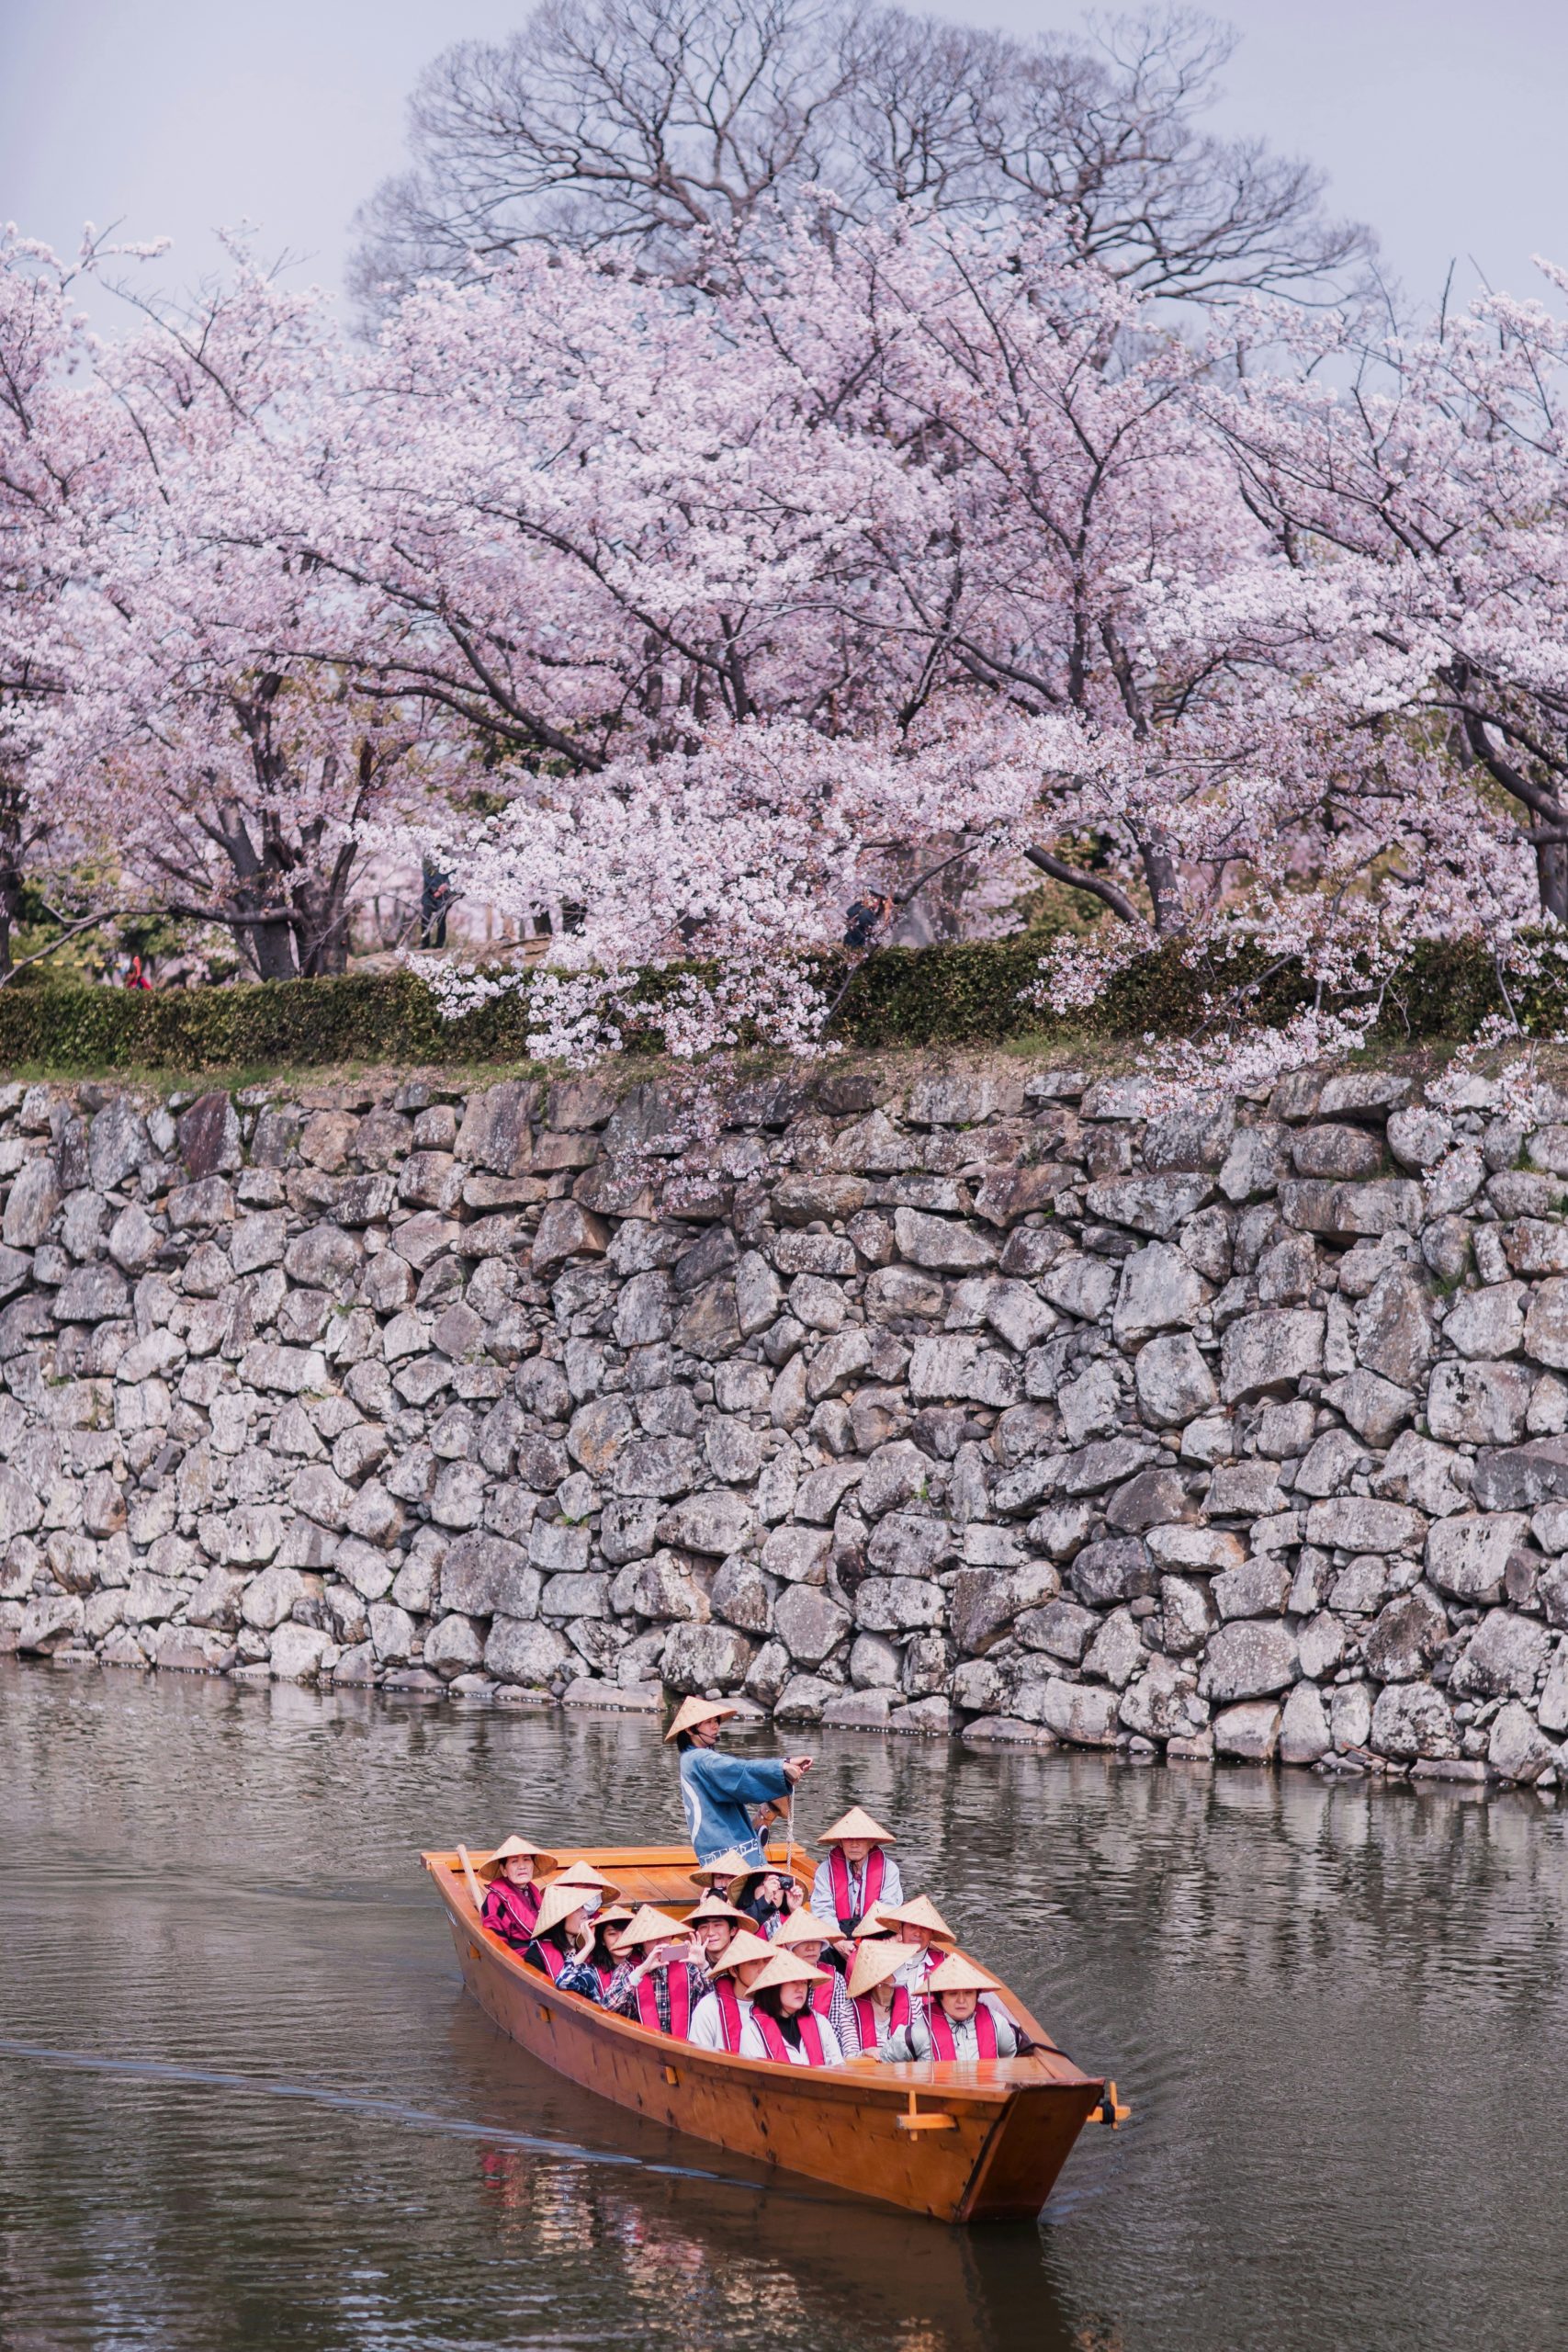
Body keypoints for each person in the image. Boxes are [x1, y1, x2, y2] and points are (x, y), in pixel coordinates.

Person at [665, 1696, 811, 1865]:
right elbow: (736, 1769)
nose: (715, 1727)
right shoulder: (700, 1758)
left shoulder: (689, 1758)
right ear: (690, 1730)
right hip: (729, 1852)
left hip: (711, 1849)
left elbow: (734, 1768)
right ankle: (761, 1820)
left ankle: (760, 1822)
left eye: (716, 1721)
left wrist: (785, 1763)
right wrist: (781, 1767)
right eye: (708, 1722)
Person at [882, 1955, 1032, 2062]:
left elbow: (1012, 2061)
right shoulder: (917, 2033)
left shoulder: (997, 2024)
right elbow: (885, 2062)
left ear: (977, 1995)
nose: (961, 2000)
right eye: (953, 1994)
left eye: (968, 1993)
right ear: (940, 1997)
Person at [604, 1905, 709, 2038]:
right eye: (652, 1938)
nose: (660, 1943)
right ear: (642, 1942)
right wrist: (641, 1971)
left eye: (665, 1937)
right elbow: (607, 2005)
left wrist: (703, 1966)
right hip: (640, 2048)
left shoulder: (687, 1965)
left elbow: (714, 2001)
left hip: (682, 2048)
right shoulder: (629, 1969)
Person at [811, 1808, 904, 1944]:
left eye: (860, 1839)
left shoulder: (889, 1870)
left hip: (875, 1936)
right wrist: (838, 1942)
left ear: (871, 1842)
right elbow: (823, 1911)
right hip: (837, 1935)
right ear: (841, 1842)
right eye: (849, 1839)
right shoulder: (825, 1870)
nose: (854, 1844)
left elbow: (888, 1911)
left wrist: (864, 1943)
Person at [738, 1951, 845, 2068]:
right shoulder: (752, 2031)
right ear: (775, 1987)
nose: (800, 1989)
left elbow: (838, 2067)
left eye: (804, 1982)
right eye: (793, 1982)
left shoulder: (820, 2022)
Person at [773, 1910, 855, 2051]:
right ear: (790, 1945)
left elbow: (839, 2031)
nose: (811, 1947)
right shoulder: (776, 1977)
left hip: (826, 2053)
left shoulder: (836, 1980)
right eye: (804, 1942)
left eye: (816, 1941)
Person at [685, 1927, 773, 2053]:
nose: (762, 1968)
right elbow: (697, 2061)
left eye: (766, 1961)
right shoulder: (708, 2008)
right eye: (753, 1963)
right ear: (733, 1970)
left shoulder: (777, 2004)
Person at [476, 1835, 558, 1950]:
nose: (522, 1866)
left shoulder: (534, 1893)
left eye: (526, 1860)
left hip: (543, 1950)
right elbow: (495, 1944)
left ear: (533, 1866)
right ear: (503, 1870)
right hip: (522, 1957)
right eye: (514, 1861)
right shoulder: (494, 1901)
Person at [841, 1938, 914, 2057]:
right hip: (866, 2073)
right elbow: (849, 2056)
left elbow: (922, 2047)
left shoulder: (913, 2002)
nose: (901, 1969)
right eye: (894, 1968)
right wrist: (865, 2053)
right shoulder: (849, 2009)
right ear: (878, 1978)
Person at [525, 1881, 600, 1994]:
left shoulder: (596, 1949)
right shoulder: (536, 1954)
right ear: (560, 1916)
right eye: (577, 1909)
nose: (585, 1915)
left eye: (585, 1909)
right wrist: (588, 1945)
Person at [878, 1895, 958, 1990]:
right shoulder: (882, 1961)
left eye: (924, 1928)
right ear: (900, 1929)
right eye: (912, 1926)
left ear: (932, 1933)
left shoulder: (946, 1964)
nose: (917, 1933)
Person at [728, 1860, 800, 1941]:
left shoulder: (789, 1919)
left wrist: (795, 1910)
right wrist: (765, 1900)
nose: (773, 1890)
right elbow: (747, 1926)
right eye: (765, 1885)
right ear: (752, 1889)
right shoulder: (740, 1916)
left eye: (778, 1886)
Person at [577, 1903, 637, 1996]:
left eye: (625, 1932)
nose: (620, 1939)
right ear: (602, 1941)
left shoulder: (645, 1964)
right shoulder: (592, 1973)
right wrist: (589, 1944)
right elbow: (563, 1982)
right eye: (612, 1934)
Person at [685, 1893, 749, 1973]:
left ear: (733, 1930)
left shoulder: (745, 1962)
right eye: (704, 1926)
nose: (710, 1933)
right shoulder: (689, 1964)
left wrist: (705, 1968)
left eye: (717, 1925)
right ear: (696, 1932)